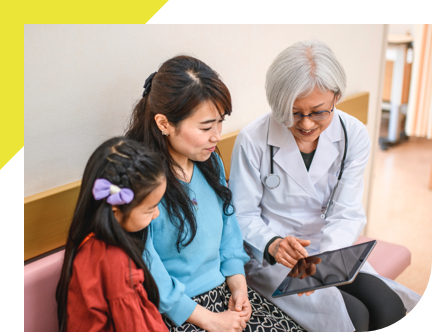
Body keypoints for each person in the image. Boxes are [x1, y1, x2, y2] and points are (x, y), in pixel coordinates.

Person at [229, 40, 422, 332]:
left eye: (319, 112)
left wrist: (326, 265)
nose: (306, 124)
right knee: (354, 317)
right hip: (274, 257)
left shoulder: (353, 134)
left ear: (336, 97)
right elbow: (241, 214)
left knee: (389, 306)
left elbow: (346, 212)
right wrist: (273, 245)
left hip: (332, 249)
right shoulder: (253, 140)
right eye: (294, 113)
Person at [126, 55, 306, 332]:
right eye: (206, 127)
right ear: (164, 123)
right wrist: (208, 319)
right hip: (178, 311)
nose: (217, 136)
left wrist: (239, 287)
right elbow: (146, 266)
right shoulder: (139, 180)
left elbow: (229, 232)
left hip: (224, 293)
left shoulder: (209, 162)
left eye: (220, 122)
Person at [56, 137, 168, 332]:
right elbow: (134, 325)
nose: (156, 214)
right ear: (116, 208)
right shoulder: (116, 260)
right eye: (150, 209)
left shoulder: (88, 241)